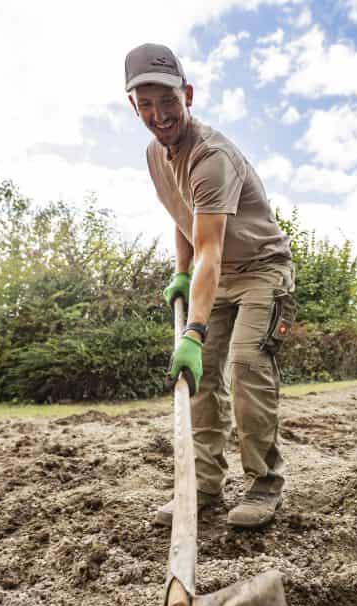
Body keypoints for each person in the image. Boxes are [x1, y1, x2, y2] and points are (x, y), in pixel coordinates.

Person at [125, 43, 295, 529]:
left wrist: (193, 332)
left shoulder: (211, 156)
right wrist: (182, 272)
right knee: (197, 380)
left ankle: (264, 484)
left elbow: (212, 250)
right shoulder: (156, 156)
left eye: (168, 101)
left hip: (261, 269)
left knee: (245, 364)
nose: (159, 115)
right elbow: (182, 215)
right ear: (133, 107)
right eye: (146, 105)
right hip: (212, 272)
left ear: (188, 95)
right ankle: (204, 486)